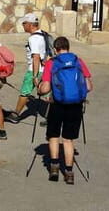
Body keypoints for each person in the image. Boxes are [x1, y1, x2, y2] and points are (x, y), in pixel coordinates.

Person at [38, 36, 93, 185]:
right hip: (75, 105)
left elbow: (46, 87)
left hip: (57, 104)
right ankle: (69, 173)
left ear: (55, 49)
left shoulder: (52, 63)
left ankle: (54, 168)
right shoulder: (78, 61)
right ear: (68, 47)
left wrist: (39, 88)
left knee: (54, 135)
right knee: (68, 139)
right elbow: (88, 86)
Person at [6, 13, 46, 124]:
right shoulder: (43, 35)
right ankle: (51, 116)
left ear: (30, 24)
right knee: (47, 93)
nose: (23, 25)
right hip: (45, 69)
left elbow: (36, 57)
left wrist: (34, 75)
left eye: (24, 23)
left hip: (34, 69)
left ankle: (16, 115)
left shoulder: (34, 39)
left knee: (25, 92)